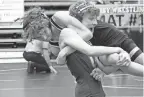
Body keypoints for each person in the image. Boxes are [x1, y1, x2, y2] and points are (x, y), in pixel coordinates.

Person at [22, 7, 57, 74]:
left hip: (25, 54)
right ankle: (33, 64)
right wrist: (50, 66)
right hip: (33, 54)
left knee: (41, 63)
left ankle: (33, 65)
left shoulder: (33, 31)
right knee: (47, 68)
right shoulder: (45, 33)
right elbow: (45, 52)